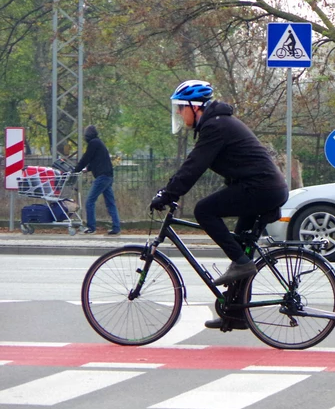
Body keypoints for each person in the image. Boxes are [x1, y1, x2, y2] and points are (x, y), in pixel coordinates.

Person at [150, 80, 289, 330]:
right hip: (264, 188)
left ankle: (242, 264)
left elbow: (194, 166)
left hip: (262, 189)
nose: (180, 114)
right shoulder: (216, 124)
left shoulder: (216, 126)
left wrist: (167, 194)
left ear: (195, 107)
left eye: (181, 108)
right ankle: (235, 314)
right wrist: (170, 191)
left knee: (204, 210)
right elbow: (199, 165)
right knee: (241, 246)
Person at [73, 124, 121, 236]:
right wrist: (88, 169)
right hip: (108, 176)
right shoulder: (99, 143)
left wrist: (76, 170)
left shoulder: (93, 143)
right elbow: (96, 159)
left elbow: (86, 158)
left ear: (88, 135)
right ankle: (116, 227)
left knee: (89, 201)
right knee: (110, 203)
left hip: (102, 177)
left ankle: (91, 227)